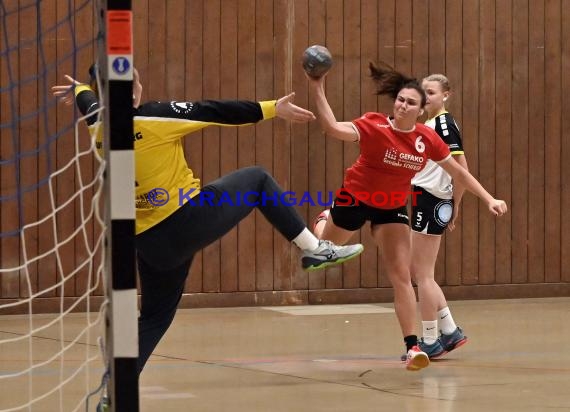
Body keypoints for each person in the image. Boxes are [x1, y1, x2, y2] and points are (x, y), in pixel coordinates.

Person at [52, 66, 364, 374]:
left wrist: (81, 87)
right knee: (257, 180)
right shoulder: (153, 116)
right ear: (134, 90)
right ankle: (314, 248)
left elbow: (87, 100)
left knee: (154, 317)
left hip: (147, 243)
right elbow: (214, 110)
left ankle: (117, 385)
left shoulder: (97, 123)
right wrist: (272, 108)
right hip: (185, 219)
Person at [307, 61, 507, 371]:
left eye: (411, 102)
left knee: (402, 274)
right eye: (400, 99)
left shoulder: (427, 139)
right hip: (355, 198)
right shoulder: (374, 125)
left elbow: (459, 172)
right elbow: (333, 128)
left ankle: (413, 347)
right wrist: (317, 86)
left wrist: (488, 197)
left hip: (391, 206)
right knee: (323, 248)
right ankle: (324, 219)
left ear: (421, 108)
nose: (403, 105)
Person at [409, 74, 469, 359]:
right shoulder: (429, 125)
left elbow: (461, 166)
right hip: (425, 198)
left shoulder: (444, 125)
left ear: (446, 95)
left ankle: (431, 339)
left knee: (423, 275)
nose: (426, 96)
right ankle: (450, 330)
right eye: (424, 92)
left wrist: (456, 204)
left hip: (432, 200)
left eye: (431, 92)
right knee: (421, 272)